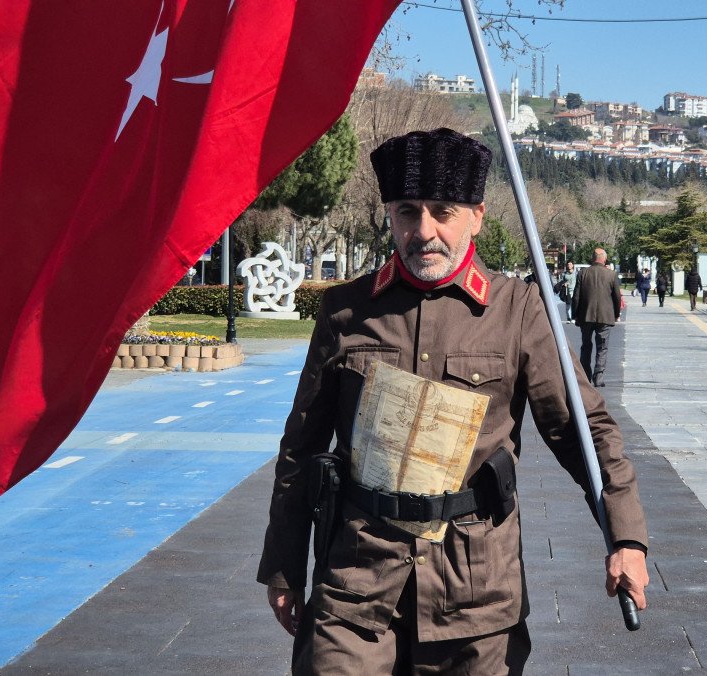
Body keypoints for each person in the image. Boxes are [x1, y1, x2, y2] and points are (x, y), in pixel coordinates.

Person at [257, 128, 649, 674]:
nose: (424, 231)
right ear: (389, 215)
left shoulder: (518, 310)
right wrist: (283, 565)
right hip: (357, 583)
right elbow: (300, 447)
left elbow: (583, 430)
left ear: (477, 216)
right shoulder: (346, 311)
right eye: (407, 212)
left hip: (476, 592)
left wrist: (626, 536)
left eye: (443, 212)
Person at [571, 248, 622, 388]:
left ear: (592, 258)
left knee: (586, 346)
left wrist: (575, 314)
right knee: (602, 348)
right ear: (604, 259)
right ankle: (598, 377)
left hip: (586, 316)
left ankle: (585, 376)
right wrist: (616, 314)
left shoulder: (582, 273)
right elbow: (617, 297)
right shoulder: (611, 274)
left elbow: (576, 296)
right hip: (605, 317)